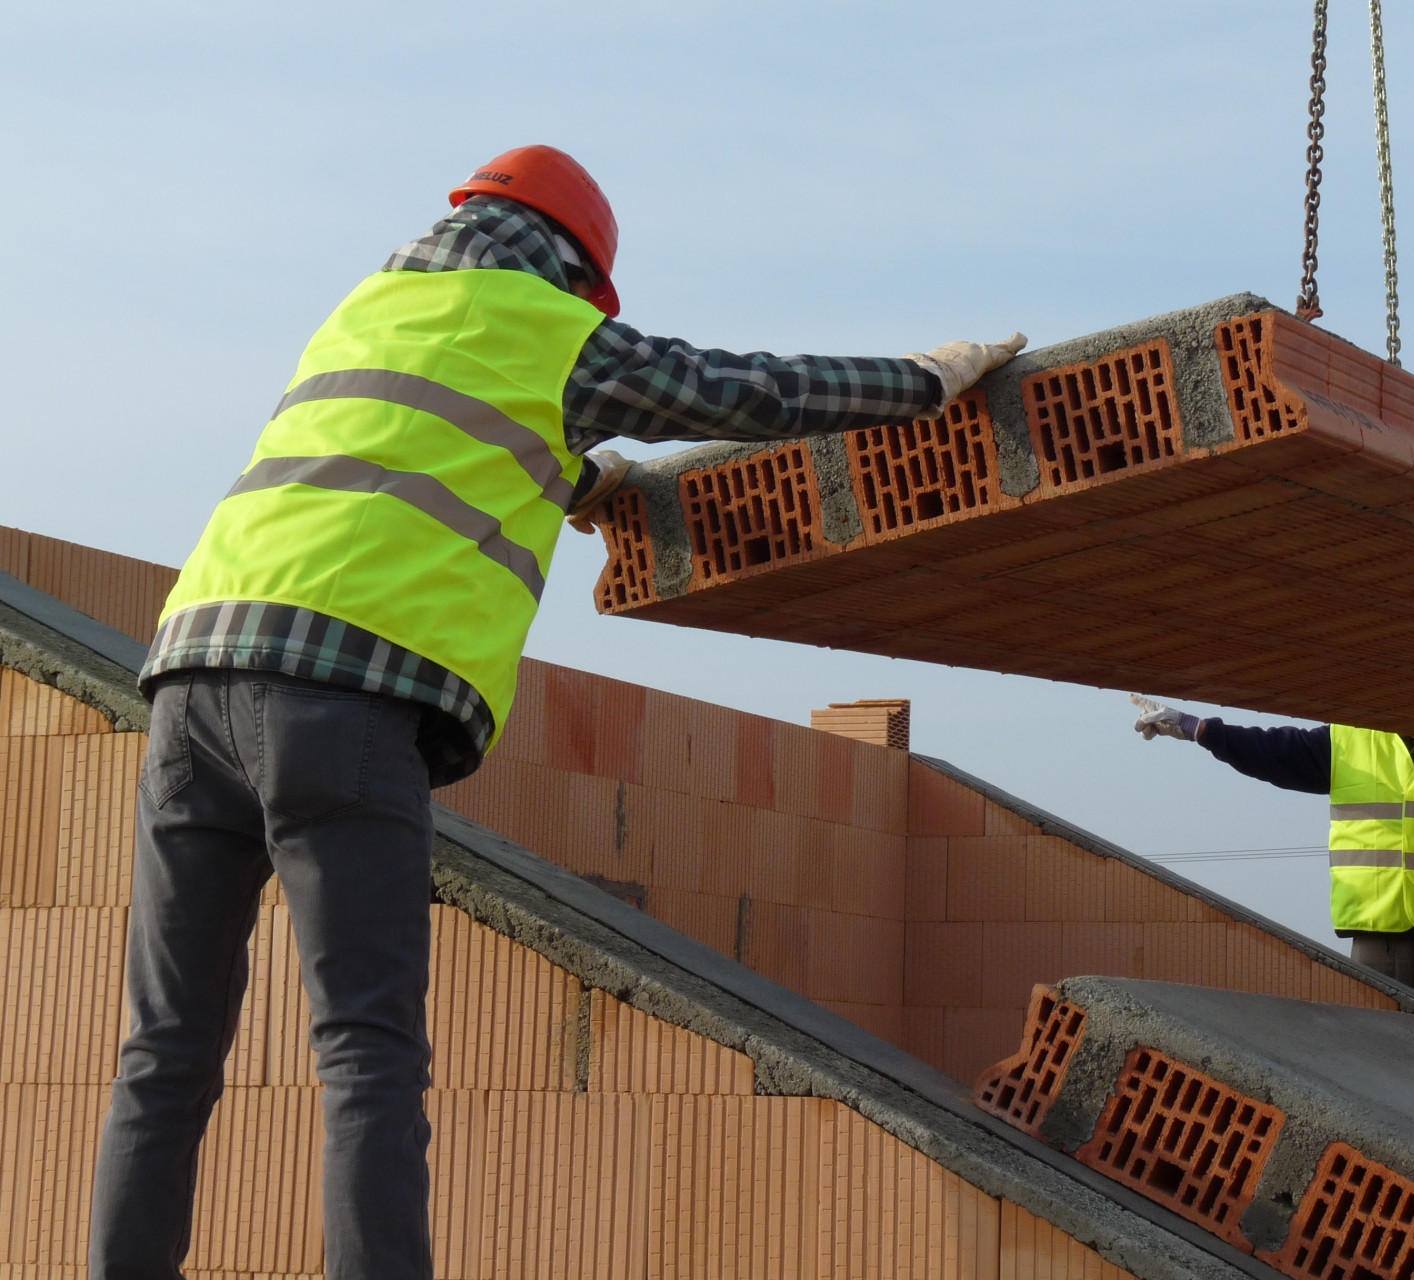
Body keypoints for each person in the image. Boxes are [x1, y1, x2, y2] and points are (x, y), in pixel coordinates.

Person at [91, 144, 1025, 1280]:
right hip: (342, 704)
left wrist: (578, 481)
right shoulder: (552, 329)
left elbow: (397, 447)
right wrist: (925, 380)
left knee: (165, 1050)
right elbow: (753, 390)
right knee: (366, 1052)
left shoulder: (369, 311)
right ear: (576, 270)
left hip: (190, 684)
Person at [1128, 695, 1414, 1022]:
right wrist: (1194, 727)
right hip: (1376, 931)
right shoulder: (1348, 740)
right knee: (1369, 1056)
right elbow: (1269, 750)